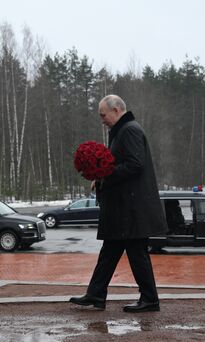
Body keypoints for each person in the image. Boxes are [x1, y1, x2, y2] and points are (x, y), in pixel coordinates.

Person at [70, 95, 167, 312]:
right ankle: (96, 295)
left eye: (103, 115)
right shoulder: (123, 130)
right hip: (125, 208)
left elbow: (135, 164)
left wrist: (104, 174)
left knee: (137, 254)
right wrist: (101, 176)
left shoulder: (129, 130)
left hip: (130, 209)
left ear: (116, 110)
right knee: (110, 252)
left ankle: (150, 299)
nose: (102, 120)